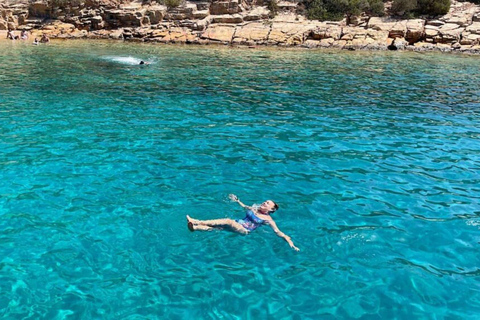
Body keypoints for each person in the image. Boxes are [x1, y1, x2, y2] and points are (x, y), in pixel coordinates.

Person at [186, 194, 300, 251]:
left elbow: (277, 232)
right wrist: (237, 200)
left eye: (267, 203)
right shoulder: (254, 208)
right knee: (218, 227)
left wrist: (290, 242)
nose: (264, 203)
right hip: (238, 223)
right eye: (265, 201)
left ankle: (197, 221)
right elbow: (244, 206)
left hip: (244, 230)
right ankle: (195, 228)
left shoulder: (268, 219)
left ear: (271, 209)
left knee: (227, 221)